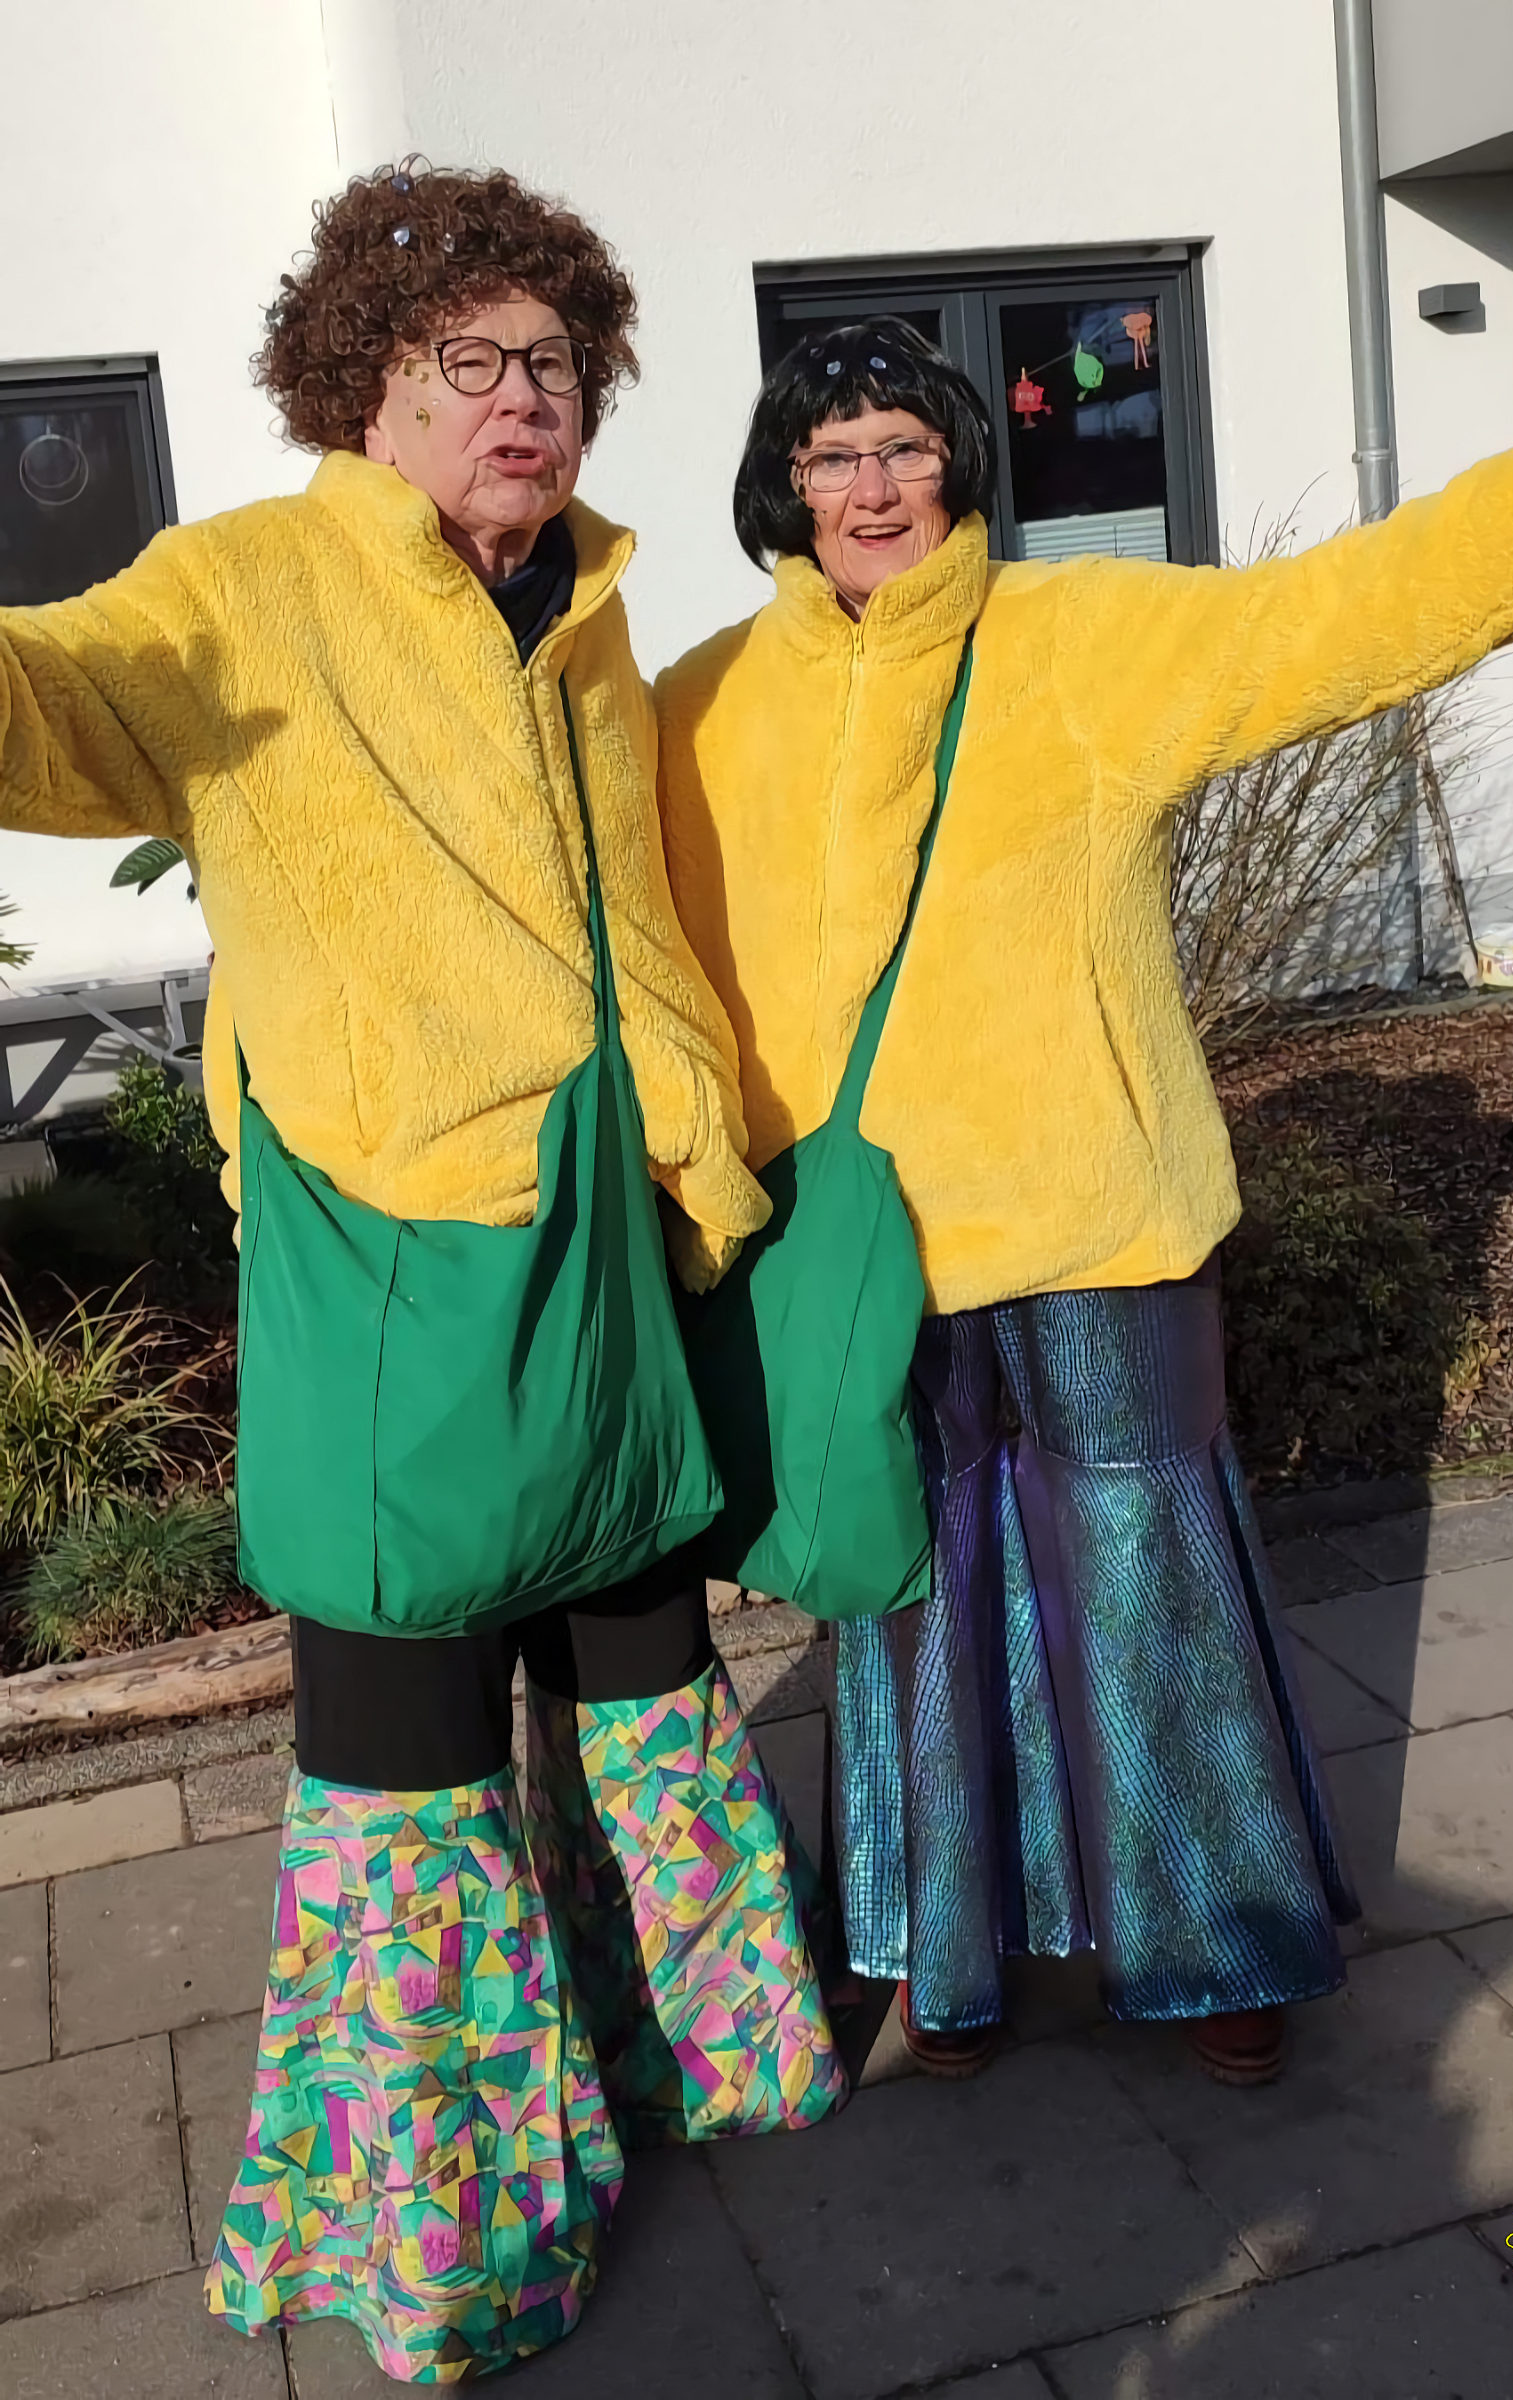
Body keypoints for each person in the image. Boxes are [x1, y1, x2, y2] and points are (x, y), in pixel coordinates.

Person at [653, 307, 1513, 2083]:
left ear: (958, 465)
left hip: (1098, 1220)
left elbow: (1330, 619)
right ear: (781, 483)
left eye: (905, 449)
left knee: (1151, 1582)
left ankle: (1211, 1939)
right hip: (857, 1250)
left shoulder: (1081, 638)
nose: (871, 488)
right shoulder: (700, 703)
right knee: (908, 1591)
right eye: (833, 455)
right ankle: (953, 1949)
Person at [0, 162, 843, 2382]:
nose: (522, 398)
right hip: (395, 1253)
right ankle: (446, 2236)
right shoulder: (247, 587)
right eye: (469, 360)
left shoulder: (582, 609)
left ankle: (690, 2062)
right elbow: (45, 699)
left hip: (611, 1228)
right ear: (363, 388)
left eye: (553, 362)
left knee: (643, 1674)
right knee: (410, 1754)